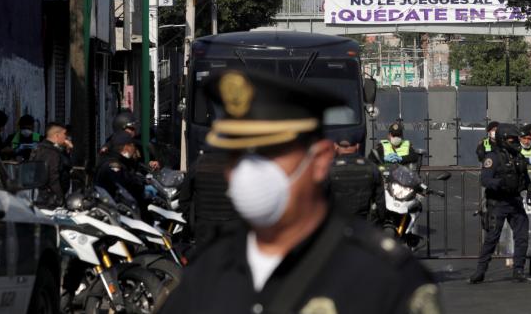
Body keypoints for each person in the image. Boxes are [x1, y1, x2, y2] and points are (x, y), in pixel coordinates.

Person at [159, 70, 440, 313]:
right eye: (235, 156)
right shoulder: (210, 268)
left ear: (318, 161)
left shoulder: (384, 277)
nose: (247, 172)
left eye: (267, 154)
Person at [469, 123, 531, 284]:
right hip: (498, 202)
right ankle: (480, 271)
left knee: (522, 236)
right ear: (503, 139)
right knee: (492, 237)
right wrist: (500, 183)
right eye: (511, 139)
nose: (515, 142)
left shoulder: (518, 157)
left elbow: (525, 177)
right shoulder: (492, 157)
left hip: (515, 201)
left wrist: (530, 189)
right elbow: (485, 179)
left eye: (515, 139)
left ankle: (518, 270)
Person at [178, 148, 239, 247]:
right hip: (232, 224)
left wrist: (194, 218)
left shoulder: (198, 164)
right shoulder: (237, 164)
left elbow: (184, 199)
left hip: (205, 225)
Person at [328, 135, 385, 223]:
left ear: (336, 146)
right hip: (362, 223)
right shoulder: (371, 167)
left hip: (335, 223)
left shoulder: (328, 168)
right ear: (357, 146)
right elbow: (380, 199)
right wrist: (382, 219)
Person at [94, 131, 146, 207]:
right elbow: (126, 185)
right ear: (126, 147)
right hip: (111, 208)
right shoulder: (113, 165)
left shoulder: (119, 161)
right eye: (133, 146)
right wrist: (142, 188)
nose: (134, 149)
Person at [31, 122, 71, 209]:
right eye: (64, 134)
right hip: (50, 200)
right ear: (57, 135)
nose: (66, 137)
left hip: (45, 197)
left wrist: (66, 150)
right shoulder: (51, 152)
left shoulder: (42, 148)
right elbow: (53, 176)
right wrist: (60, 198)